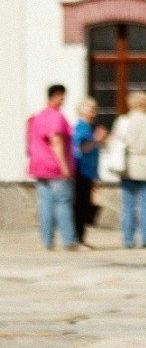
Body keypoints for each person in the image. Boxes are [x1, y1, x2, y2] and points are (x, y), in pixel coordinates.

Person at [26, 84, 77, 250]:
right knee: (63, 202)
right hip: (55, 167)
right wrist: (65, 168)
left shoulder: (36, 117)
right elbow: (56, 142)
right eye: (61, 97)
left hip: (39, 166)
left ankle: (47, 241)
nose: (62, 101)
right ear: (55, 96)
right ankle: (68, 240)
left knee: (45, 204)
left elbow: (29, 144)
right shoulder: (56, 117)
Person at [114, 90, 146, 248]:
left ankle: (128, 239)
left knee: (128, 205)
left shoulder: (123, 122)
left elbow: (116, 144)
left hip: (129, 165)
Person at [71, 96, 106, 244]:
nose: (93, 112)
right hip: (81, 171)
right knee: (81, 205)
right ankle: (77, 238)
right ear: (81, 111)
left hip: (89, 171)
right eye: (90, 109)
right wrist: (97, 140)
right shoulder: (81, 127)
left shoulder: (90, 127)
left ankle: (80, 237)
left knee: (85, 204)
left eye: (94, 109)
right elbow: (81, 148)